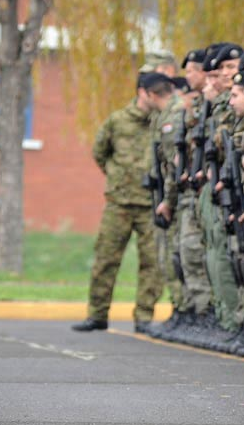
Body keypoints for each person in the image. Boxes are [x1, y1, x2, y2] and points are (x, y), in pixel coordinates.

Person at [73, 72, 175, 333]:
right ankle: (97, 314)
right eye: (159, 92)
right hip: (119, 202)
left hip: (151, 203)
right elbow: (100, 152)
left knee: (152, 262)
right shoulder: (118, 121)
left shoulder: (164, 122)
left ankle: (144, 317)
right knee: (106, 258)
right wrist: (117, 177)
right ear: (143, 92)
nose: (163, 98)